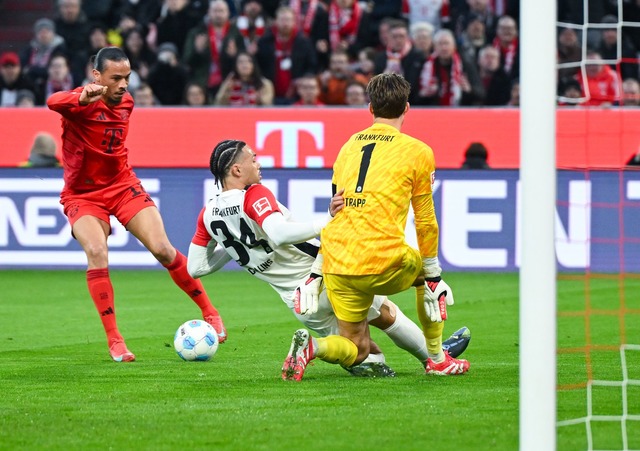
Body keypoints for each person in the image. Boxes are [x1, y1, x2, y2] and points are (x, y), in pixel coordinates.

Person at [187, 139, 471, 376]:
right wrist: (326, 224)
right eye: (252, 158)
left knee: (367, 355)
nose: (257, 163)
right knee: (386, 313)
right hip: (322, 277)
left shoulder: (207, 213)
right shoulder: (254, 194)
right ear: (237, 169)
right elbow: (278, 234)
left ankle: (317, 348)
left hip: (296, 300)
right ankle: (436, 358)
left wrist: (238, 250)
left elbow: (196, 267)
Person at [282, 73, 470, 381]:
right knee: (426, 279)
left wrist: (316, 275)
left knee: (356, 347)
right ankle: (437, 358)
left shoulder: (347, 148)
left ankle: (312, 348)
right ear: (407, 108)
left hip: (340, 265)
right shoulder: (418, 151)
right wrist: (434, 274)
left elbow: (337, 213)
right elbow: (425, 219)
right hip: (384, 260)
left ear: (370, 108)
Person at [46, 47, 226, 363]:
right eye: (116, 78)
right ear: (97, 76)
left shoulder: (127, 103)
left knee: (163, 249)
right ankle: (115, 340)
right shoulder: (80, 103)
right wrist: (79, 98)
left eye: (127, 77)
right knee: (97, 252)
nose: (124, 85)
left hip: (122, 187)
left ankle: (210, 312)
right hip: (83, 195)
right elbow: (52, 101)